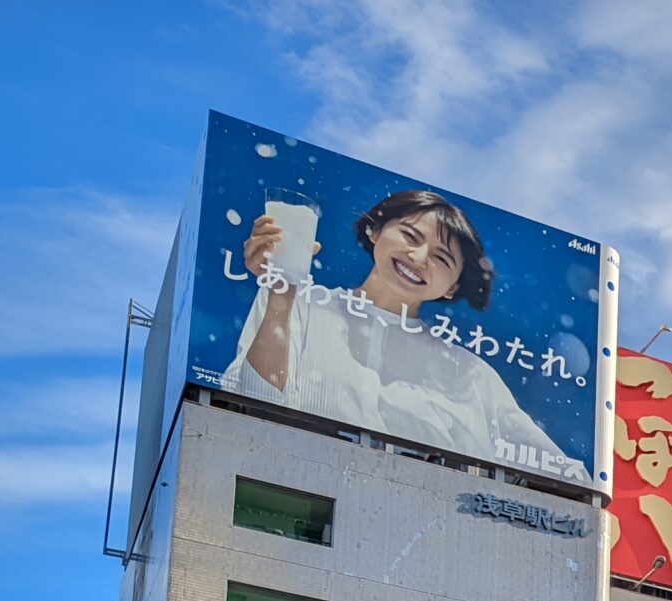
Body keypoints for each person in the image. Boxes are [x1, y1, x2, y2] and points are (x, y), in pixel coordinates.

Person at [223, 187, 587, 484]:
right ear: (375, 230)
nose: (419, 256)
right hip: (294, 494)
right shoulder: (301, 305)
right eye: (410, 235)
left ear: (452, 287)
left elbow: (566, 477)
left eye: (442, 258)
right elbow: (251, 402)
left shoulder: (469, 373)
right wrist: (282, 289)